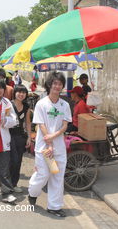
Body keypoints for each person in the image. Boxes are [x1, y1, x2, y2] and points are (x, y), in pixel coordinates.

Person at [28, 71, 72, 217]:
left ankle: (54, 206)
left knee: (57, 177)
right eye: (54, 83)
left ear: (62, 87)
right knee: (44, 175)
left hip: (59, 148)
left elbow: (65, 125)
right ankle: (32, 192)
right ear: (49, 85)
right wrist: (50, 142)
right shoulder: (41, 104)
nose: (57, 86)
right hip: (44, 148)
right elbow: (41, 125)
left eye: (60, 84)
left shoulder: (64, 105)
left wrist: (54, 136)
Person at [9, 85, 32, 193]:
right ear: (15, 93)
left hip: (20, 137)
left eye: (24, 92)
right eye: (19, 92)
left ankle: (14, 184)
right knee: (11, 160)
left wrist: (29, 137)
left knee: (18, 161)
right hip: (8, 136)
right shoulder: (9, 104)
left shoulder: (26, 107)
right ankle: (7, 184)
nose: (21, 94)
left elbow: (28, 122)